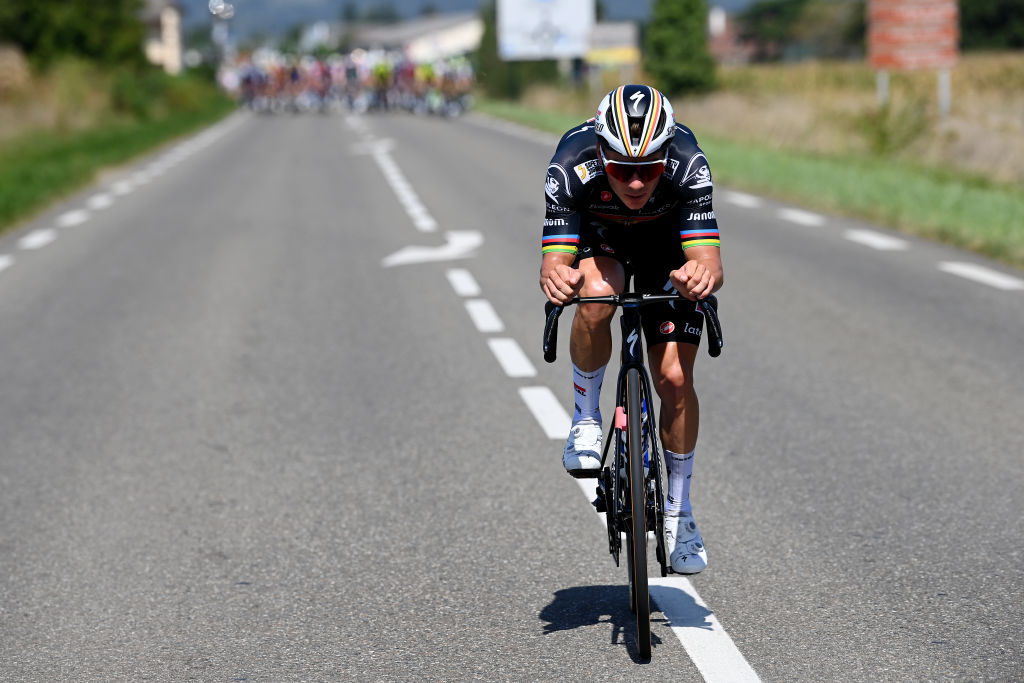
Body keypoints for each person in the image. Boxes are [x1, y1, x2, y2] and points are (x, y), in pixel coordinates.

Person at [538, 85, 723, 574]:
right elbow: (555, 260)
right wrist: (559, 277)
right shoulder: (571, 163)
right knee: (596, 295)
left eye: (648, 170)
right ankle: (584, 417)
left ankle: (680, 514)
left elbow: (708, 261)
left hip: (667, 248)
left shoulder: (689, 163)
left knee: (676, 380)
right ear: (602, 153)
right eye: (622, 169)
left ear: (666, 156)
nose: (636, 183)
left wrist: (698, 276)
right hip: (604, 241)